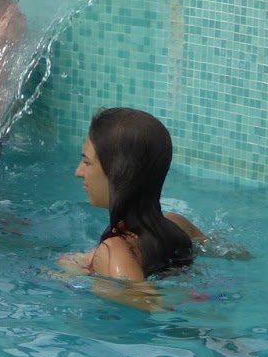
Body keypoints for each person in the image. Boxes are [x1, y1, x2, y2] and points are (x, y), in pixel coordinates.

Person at [61, 107, 203, 282]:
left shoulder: (114, 253)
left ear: (117, 173)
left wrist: (70, 277)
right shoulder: (179, 224)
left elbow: (147, 298)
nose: (78, 172)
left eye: (87, 162)